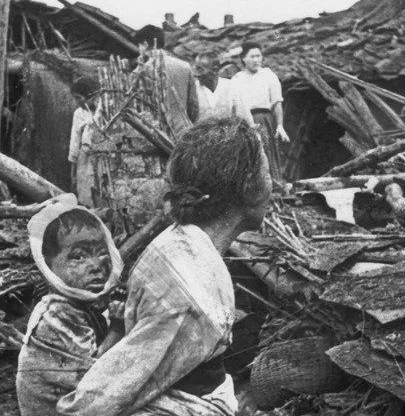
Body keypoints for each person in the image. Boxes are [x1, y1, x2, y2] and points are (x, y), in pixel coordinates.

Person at [57, 116, 273, 416]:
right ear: (250, 188)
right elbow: (95, 402)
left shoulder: (178, 241)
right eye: (267, 171)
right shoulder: (193, 293)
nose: (272, 183)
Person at [16, 195, 124, 416]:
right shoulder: (57, 313)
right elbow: (97, 378)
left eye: (102, 253)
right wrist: (117, 327)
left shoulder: (80, 306)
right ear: (48, 265)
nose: (96, 266)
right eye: (79, 257)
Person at [229, 42, 289, 178]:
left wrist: (280, 125)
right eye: (252, 56)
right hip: (244, 121)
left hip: (265, 119)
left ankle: (275, 185)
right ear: (243, 58)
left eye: (258, 56)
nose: (256, 60)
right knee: (249, 156)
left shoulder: (268, 75)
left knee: (268, 153)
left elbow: (277, 103)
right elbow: (233, 106)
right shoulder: (237, 79)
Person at [133, 25, 199, 136]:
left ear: (145, 44)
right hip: (184, 132)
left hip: (156, 135)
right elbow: (194, 106)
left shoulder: (141, 71)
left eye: (139, 45)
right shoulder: (185, 66)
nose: (139, 50)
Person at [68, 77, 100, 207]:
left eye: (79, 98)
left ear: (90, 96)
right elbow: (74, 142)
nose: (77, 102)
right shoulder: (78, 114)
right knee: (85, 194)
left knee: (101, 192)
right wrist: (73, 172)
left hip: (101, 157)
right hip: (85, 159)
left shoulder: (103, 110)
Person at [193, 52, 233, 119]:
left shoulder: (231, 86)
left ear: (215, 70)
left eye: (200, 69)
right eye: (195, 68)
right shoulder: (193, 89)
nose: (195, 74)